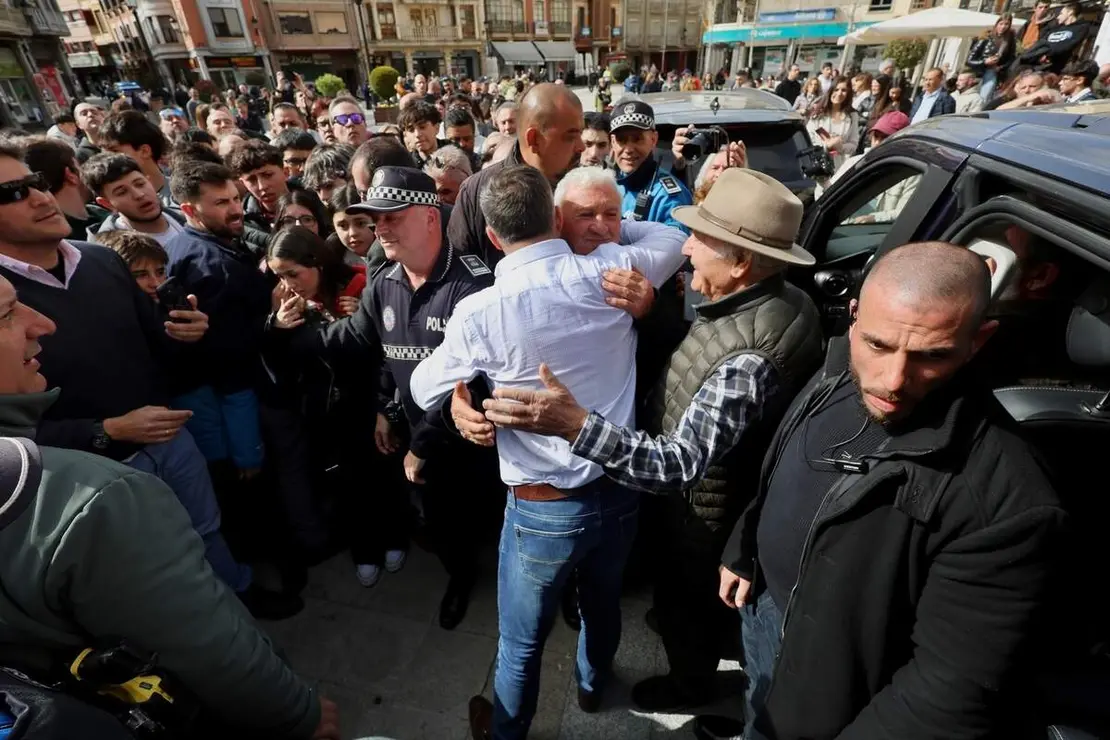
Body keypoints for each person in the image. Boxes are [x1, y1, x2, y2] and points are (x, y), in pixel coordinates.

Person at [471, 169, 824, 713]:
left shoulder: (751, 357)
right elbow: (691, 360)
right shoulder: (761, 302)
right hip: (690, 511)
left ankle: (692, 688)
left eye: (701, 239)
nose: (685, 246)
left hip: (704, 518)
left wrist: (574, 424)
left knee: (689, 611)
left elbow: (679, 463)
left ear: (740, 262)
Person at [706, 241, 1065, 740]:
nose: (894, 380)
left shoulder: (1006, 500)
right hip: (768, 614)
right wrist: (744, 546)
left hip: (839, 688)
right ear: (853, 316)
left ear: (979, 341)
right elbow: (786, 462)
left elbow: (945, 696)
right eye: (878, 344)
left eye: (932, 356)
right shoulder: (837, 369)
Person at [408, 165, 688, 740]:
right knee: (603, 601)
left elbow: (421, 388)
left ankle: (509, 734)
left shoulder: (479, 312)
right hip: (620, 488)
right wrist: (618, 227)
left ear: (490, 235)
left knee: (520, 642)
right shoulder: (613, 270)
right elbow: (671, 238)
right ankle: (590, 686)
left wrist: (464, 393)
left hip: (541, 510)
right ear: (556, 220)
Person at [0, 272, 340, 739]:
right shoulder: (94, 500)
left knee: (208, 533)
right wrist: (297, 713)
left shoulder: (100, 265)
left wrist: (188, 337)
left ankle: (241, 590)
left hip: (169, 439)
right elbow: (200, 641)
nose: (43, 325)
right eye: (7, 314)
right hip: (178, 707)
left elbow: (164, 352)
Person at [271, 167, 495, 624]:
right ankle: (460, 575)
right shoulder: (386, 282)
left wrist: (420, 445)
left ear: (431, 218)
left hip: (468, 445)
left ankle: (483, 578)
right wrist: (276, 334)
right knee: (440, 523)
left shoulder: (474, 286)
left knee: (481, 516)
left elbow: (474, 384)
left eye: (394, 216)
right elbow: (353, 343)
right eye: (377, 218)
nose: (381, 227)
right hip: (417, 442)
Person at [448, 83, 585, 267]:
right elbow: (458, 268)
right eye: (571, 136)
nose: (581, 146)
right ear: (534, 139)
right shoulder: (477, 192)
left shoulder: (588, 189)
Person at [609, 100, 693, 229]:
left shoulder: (669, 197)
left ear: (653, 140)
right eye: (621, 140)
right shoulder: (607, 185)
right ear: (613, 142)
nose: (629, 149)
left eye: (637, 139)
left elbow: (674, 245)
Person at [82, 153, 186, 246]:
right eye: (122, 192)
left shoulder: (188, 220)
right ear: (107, 203)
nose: (139, 195)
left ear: (149, 181)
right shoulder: (112, 252)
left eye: (140, 184)